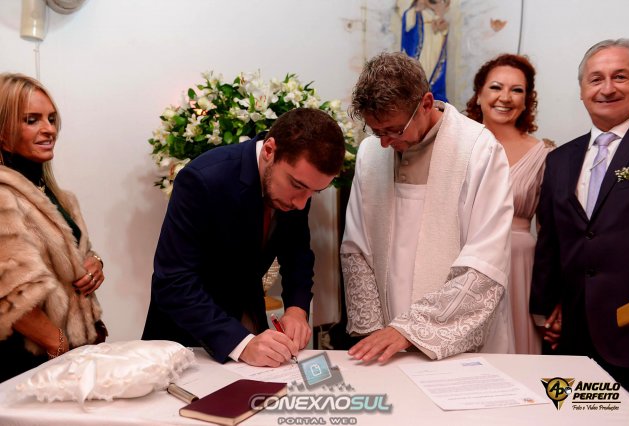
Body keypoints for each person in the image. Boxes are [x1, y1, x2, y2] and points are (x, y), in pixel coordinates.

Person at [341, 52, 514, 363]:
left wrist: (414, 329)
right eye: (377, 131)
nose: (384, 143)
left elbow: (486, 258)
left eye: (394, 130)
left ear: (426, 104)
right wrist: (375, 330)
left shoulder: (478, 149)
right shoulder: (371, 152)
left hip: (451, 336)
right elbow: (357, 248)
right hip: (387, 333)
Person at [142, 108, 345, 367]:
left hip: (249, 328)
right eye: (297, 186)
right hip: (185, 341)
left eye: (314, 192)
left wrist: (297, 308)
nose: (301, 203)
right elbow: (173, 282)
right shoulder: (202, 179)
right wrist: (241, 343)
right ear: (270, 150)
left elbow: (297, 254)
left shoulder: (297, 192)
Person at [531, 38, 629, 400]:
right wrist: (546, 310)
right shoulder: (560, 159)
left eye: (620, 76)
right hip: (572, 333)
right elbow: (551, 241)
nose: (607, 88)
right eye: (596, 79)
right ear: (581, 91)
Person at [0, 73, 107, 382]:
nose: (49, 129)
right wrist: (60, 347)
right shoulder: (3, 197)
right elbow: (12, 295)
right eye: (31, 120)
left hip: (73, 353)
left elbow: (72, 253)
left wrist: (95, 263)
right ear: (3, 133)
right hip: (30, 363)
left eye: (51, 119)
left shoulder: (57, 195)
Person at [465, 54, 554, 354]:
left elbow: (551, 234)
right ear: (479, 94)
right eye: (496, 87)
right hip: (465, 257)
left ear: (527, 100)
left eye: (517, 90)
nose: (505, 97)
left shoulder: (544, 154)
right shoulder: (457, 146)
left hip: (519, 264)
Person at [400, 0, 450, 102]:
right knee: (421, 71)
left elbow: (442, 32)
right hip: (421, 51)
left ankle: (433, 95)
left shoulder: (435, 13)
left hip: (435, 48)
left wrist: (441, 25)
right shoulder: (413, 12)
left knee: (434, 72)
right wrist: (417, 8)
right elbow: (408, 27)